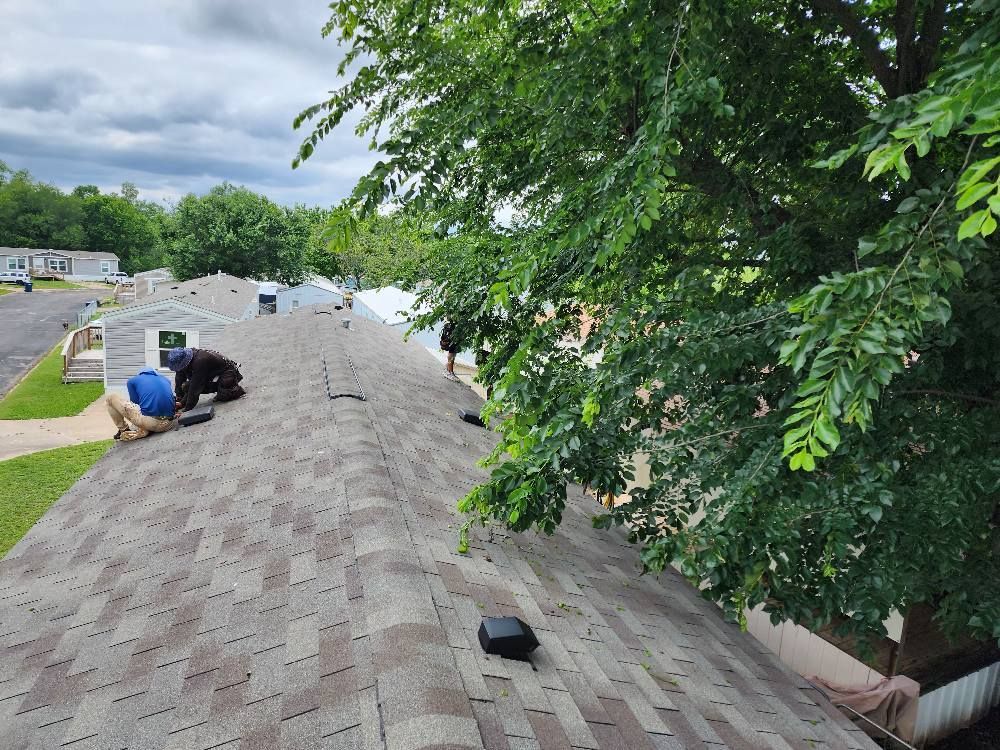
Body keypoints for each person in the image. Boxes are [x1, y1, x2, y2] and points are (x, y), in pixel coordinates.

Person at [106, 367, 177, 441]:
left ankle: (123, 429)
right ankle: (146, 427)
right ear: (155, 373)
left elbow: (135, 401)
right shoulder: (165, 379)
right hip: (169, 424)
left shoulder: (132, 381)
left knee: (110, 398)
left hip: (151, 423)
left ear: (140, 374)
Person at [167, 347, 246, 412]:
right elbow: (179, 377)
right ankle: (220, 389)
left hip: (227, 373)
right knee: (186, 386)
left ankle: (233, 389)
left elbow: (195, 387)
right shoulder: (184, 358)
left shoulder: (200, 361)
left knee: (224, 395)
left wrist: (187, 408)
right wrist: (179, 399)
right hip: (211, 375)